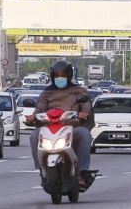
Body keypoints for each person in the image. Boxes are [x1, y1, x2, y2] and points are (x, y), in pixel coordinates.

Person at [26, 60, 96, 190]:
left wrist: (82, 113)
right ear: (52, 77)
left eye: (63, 75)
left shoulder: (79, 91)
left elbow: (86, 106)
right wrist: (32, 117)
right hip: (50, 128)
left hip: (72, 128)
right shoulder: (46, 93)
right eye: (57, 76)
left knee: (84, 134)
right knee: (34, 136)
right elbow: (39, 109)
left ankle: (82, 172)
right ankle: (42, 169)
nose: (60, 78)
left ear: (69, 76)